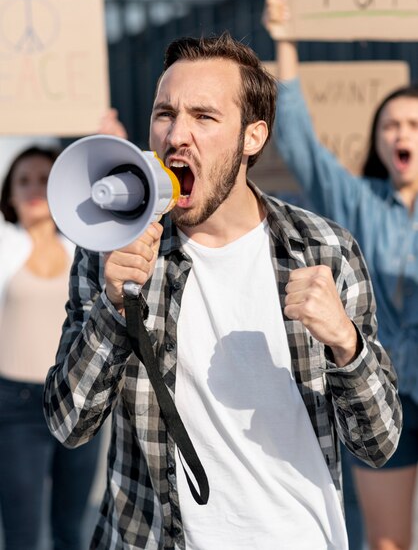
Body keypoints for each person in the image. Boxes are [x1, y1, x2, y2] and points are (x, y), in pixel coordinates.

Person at [43, 32, 401, 550]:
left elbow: (380, 443)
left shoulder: (324, 249)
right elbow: (68, 424)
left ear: (252, 137)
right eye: (165, 113)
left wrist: (347, 345)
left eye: (204, 117)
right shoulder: (110, 248)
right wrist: (112, 310)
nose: (176, 134)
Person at [263, 0, 418, 550]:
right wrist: (285, 43)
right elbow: (302, 145)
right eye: (392, 125)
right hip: (387, 394)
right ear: (378, 139)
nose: (402, 134)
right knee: (386, 543)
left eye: (414, 124)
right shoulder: (358, 203)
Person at [0, 110, 126, 550]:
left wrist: (110, 151)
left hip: (74, 398)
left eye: (44, 179)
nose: (35, 189)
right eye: (24, 181)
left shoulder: (83, 247)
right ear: (9, 195)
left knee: (71, 529)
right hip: (14, 407)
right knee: (21, 533)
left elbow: (122, 216)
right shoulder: (4, 246)